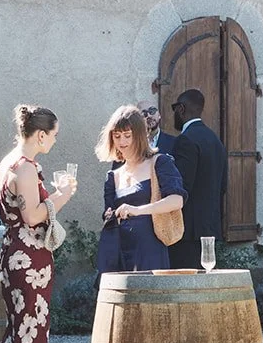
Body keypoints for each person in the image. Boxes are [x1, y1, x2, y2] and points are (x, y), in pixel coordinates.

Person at [0, 105, 77, 343]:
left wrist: (51, 196)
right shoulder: (25, 167)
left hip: (14, 253)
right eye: (53, 135)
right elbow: (34, 216)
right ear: (40, 135)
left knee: (16, 326)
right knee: (32, 330)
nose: (53, 141)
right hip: (29, 258)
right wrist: (63, 195)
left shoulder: (7, 163)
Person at [95, 105, 186, 274]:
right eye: (117, 136)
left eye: (128, 136)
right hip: (117, 252)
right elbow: (108, 214)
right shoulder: (113, 176)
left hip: (149, 250)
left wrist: (137, 210)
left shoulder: (159, 162)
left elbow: (176, 200)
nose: (122, 142)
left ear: (139, 135)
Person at [166, 89, 227, 269]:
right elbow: (223, 186)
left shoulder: (185, 140)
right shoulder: (215, 140)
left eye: (174, 108)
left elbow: (182, 187)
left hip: (187, 232)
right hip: (210, 229)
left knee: (184, 288)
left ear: (181, 109)